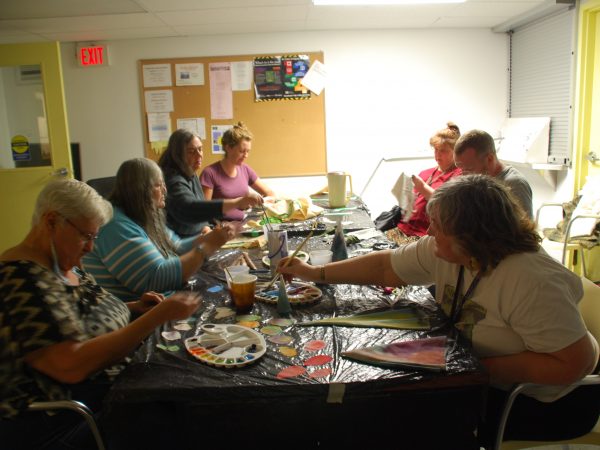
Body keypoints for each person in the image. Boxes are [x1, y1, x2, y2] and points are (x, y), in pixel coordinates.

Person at [278, 175, 599, 447]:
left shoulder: (530, 280)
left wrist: (472, 369)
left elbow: (575, 363)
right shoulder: (448, 251)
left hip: (536, 400)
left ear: (471, 235)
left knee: (395, 418)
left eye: (438, 227)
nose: (429, 233)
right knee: (383, 403)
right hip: (475, 379)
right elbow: (385, 267)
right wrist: (312, 273)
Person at [0, 178, 200, 450]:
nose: (91, 247)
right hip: (69, 418)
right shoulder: (22, 280)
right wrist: (155, 317)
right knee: (187, 415)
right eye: (86, 236)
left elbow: (79, 315)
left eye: (94, 237)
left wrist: (133, 308)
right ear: (50, 222)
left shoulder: (60, 263)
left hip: (118, 388)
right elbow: (71, 365)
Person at [83, 157, 236, 301]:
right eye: (158, 185)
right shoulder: (115, 225)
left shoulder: (141, 214)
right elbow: (155, 280)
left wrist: (210, 237)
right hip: (136, 315)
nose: (165, 190)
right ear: (140, 190)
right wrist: (207, 247)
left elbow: (176, 246)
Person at [158, 129, 262, 237]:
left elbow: (200, 206)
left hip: (197, 236)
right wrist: (237, 202)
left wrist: (206, 227)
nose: (199, 155)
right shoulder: (173, 180)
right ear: (178, 154)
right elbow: (191, 209)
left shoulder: (190, 172)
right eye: (191, 151)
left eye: (200, 149)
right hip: (180, 242)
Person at [390, 122, 462, 241]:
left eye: (443, 151)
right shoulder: (425, 173)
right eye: (435, 150)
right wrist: (405, 199)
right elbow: (411, 205)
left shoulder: (459, 176)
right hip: (402, 229)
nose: (437, 155)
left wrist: (423, 188)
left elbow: (447, 206)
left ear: (455, 151)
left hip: (422, 237)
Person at [200, 122, 274, 221]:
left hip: (246, 224)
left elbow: (270, 193)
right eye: (242, 151)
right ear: (228, 148)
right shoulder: (209, 173)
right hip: (223, 229)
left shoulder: (245, 169)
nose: (246, 155)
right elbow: (204, 211)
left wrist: (262, 201)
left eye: (248, 151)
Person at [453, 129, 533, 218]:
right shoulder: (475, 181)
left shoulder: (515, 184)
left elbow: (525, 228)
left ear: (489, 159)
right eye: (461, 168)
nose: (464, 175)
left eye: (469, 169)